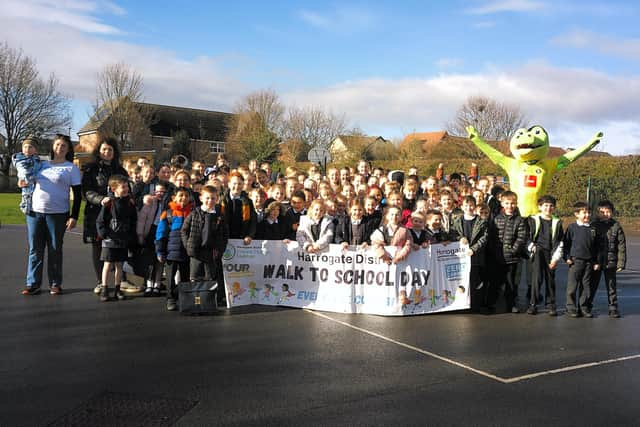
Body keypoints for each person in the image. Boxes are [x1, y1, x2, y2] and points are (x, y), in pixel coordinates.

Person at [20, 134, 81, 296]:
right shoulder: (41, 164)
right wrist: (23, 182)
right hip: (34, 212)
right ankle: (33, 283)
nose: (60, 148)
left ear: (68, 150)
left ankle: (55, 283)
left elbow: (78, 194)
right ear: (52, 146)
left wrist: (74, 216)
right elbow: (27, 179)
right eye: (57, 145)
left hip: (58, 215)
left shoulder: (71, 168)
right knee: (35, 249)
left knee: (55, 249)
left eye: (63, 146)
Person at [82, 138, 128, 294]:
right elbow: (87, 192)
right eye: (104, 149)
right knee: (98, 247)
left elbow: (126, 189)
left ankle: (119, 281)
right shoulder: (91, 169)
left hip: (118, 214)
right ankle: (101, 282)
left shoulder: (120, 170)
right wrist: (101, 200)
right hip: (97, 212)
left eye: (110, 150)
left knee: (119, 246)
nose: (107, 152)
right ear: (99, 151)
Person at [96, 175, 137, 302]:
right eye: (122, 187)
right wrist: (104, 234)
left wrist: (130, 236)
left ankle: (118, 288)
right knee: (107, 264)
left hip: (123, 239)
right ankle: (104, 288)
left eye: (126, 187)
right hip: (109, 239)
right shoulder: (109, 203)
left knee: (120, 265)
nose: (125, 189)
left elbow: (133, 221)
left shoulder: (130, 203)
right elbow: (100, 221)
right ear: (114, 189)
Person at [182, 185, 229, 290]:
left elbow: (225, 234)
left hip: (211, 253)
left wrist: (220, 248)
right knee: (195, 278)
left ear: (217, 199)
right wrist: (188, 246)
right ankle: (196, 302)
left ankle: (208, 301)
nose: (210, 201)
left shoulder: (219, 216)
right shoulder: (194, 213)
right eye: (207, 198)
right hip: (196, 252)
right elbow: (184, 230)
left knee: (210, 278)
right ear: (201, 198)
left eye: (213, 198)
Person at [488, 191, 527, 313]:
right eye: (507, 203)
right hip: (497, 257)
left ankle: (511, 304)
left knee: (511, 284)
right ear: (502, 203)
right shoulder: (496, 219)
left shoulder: (520, 220)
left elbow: (521, 237)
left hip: (512, 258)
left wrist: (513, 250)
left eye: (512, 203)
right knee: (495, 282)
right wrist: (495, 251)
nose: (510, 206)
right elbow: (492, 237)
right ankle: (491, 304)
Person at [525, 195, 564, 316]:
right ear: (540, 206)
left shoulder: (557, 222)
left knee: (550, 279)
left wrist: (555, 258)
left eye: (551, 206)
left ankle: (551, 305)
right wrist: (532, 248)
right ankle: (533, 304)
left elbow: (560, 241)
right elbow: (527, 237)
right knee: (537, 279)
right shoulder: (532, 219)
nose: (548, 208)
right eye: (545, 205)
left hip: (550, 253)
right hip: (537, 252)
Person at [156, 187, 193, 311]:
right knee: (170, 278)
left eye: (186, 196)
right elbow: (161, 233)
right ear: (174, 197)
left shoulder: (192, 212)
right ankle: (170, 298)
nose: (184, 198)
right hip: (171, 252)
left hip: (186, 251)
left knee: (185, 277)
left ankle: (184, 298)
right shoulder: (168, 213)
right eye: (181, 195)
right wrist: (160, 250)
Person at [563, 201, 602, 318]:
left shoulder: (593, 229)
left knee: (586, 287)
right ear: (576, 214)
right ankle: (570, 308)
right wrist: (567, 257)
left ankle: (583, 308)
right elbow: (566, 244)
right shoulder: (572, 228)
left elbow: (596, 247)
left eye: (589, 212)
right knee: (572, 286)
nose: (587, 215)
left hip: (589, 262)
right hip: (575, 262)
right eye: (584, 213)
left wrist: (596, 262)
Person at [450, 196, 488, 311]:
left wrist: (474, 249)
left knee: (475, 280)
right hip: (461, 257)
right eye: (466, 205)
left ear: (475, 206)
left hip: (476, 257)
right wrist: (460, 238)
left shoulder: (481, 221)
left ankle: (475, 305)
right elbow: (452, 234)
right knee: (462, 280)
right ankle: (463, 304)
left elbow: (484, 238)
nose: (468, 208)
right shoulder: (457, 221)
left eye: (471, 205)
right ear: (462, 207)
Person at [591, 200, 625, 318]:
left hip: (611, 261)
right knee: (592, 284)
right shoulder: (593, 225)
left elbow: (621, 245)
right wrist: (591, 261)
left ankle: (613, 307)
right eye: (602, 212)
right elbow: (590, 244)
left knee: (611, 285)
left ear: (612, 212)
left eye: (608, 211)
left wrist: (621, 263)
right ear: (598, 213)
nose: (605, 214)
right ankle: (588, 305)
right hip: (596, 261)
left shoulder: (616, 226)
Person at [12, 136, 43, 214]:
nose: (27, 149)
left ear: (35, 150)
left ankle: (29, 207)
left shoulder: (37, 160)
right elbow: (24, 171)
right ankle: (25, 206)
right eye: (25, 147)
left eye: (30, 147)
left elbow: (39, 169)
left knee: (33, 197)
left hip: (37, 186)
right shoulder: (20, 159)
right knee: (26, 195)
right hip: (27, 182)